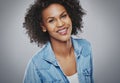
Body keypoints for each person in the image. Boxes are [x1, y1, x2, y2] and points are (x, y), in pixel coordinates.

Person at [23, 0, 94, 83]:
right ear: (43, 26)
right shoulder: (36, 65)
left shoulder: (85, 47)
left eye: (63, 16)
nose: (60, 24)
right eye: (51, 20)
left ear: (70, 16)